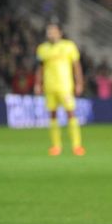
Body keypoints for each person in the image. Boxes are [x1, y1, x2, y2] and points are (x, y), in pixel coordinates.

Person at [34, 23, 86, 156]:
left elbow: (76, 66)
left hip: (65, 86)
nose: (51, 34)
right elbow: (40, 68)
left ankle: (77, 146)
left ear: (60, 33)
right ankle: (56, 146)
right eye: (49, 31)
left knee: (71, 113)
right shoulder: (42, 49)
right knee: (52, 115)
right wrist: (38, 84)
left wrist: (79, 82)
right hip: (49, 87)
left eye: (53, 31)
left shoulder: (69, 46)